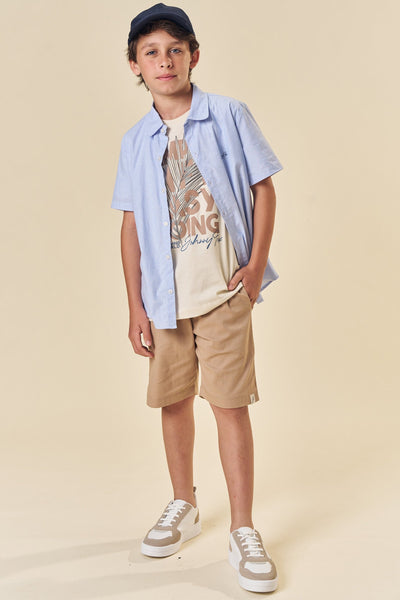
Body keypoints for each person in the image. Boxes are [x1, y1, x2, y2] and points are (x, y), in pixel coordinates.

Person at [111, 3, 283, 593]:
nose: (164, 61)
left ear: (193, 56)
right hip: (164, 300)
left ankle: (242, 527)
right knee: (173, 401)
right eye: (151, 53)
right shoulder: (136, 141)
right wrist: (135, 306)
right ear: (135, 64)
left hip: (223, 292)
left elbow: (263, 189)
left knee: (230, 406)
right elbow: (131, 225)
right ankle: (182, 502)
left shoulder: (227, 115)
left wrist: (255, 267)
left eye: (175, 50)